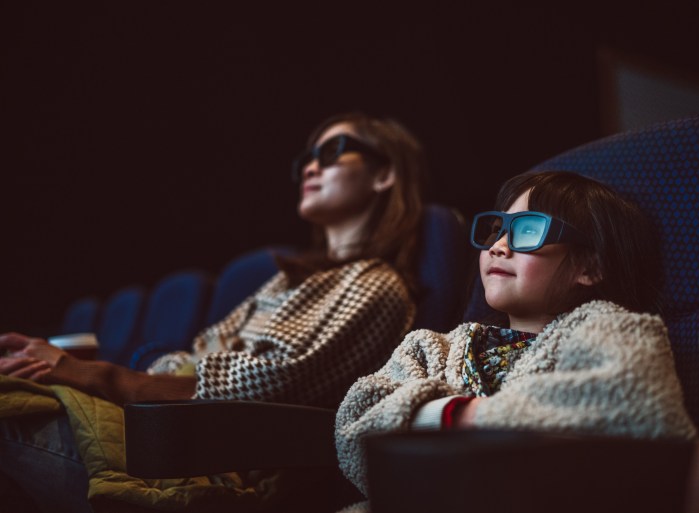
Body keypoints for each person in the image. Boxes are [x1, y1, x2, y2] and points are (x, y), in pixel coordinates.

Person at [0, 112, 427, 513]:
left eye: (332, 151)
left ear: (384, 174)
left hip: (212, 461)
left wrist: (96, 375)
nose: (310, 168)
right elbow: (198, 352)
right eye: (306, 160)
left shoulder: (377, 283)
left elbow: (271, 382)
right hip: (175, 432)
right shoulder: (287, 281)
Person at [334, 170, 698, 508]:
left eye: (527, 230)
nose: (498, 246)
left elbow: (630, 407)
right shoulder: (432, 347)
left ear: (590, 266)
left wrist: (447, 419)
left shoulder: (616, 329)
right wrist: (460, 417)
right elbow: (357, 419)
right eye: (496, 230)